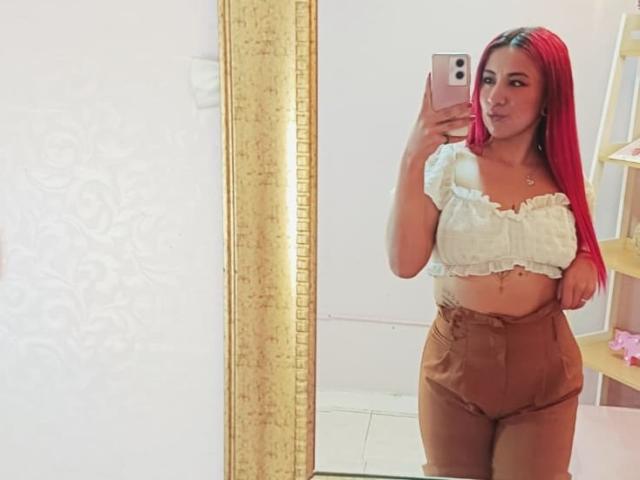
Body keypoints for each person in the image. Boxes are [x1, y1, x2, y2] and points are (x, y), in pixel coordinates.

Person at [385, 27, 608, 480]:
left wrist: (586, 258)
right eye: (487, 79)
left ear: (549, 97)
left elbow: (581, 240)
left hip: (545, 371)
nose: (494, 97)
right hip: (457, 364)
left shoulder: (568, 182)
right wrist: (413, 155)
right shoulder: (447, 167)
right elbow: (404, 264)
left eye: (516, 82)